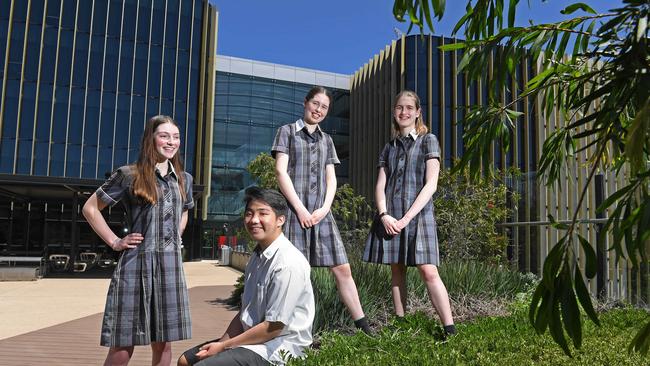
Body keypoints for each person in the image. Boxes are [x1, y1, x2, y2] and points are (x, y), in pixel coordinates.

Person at [82, 115, 194, 366]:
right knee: (122, 345)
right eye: (164, 135)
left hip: (170, 267)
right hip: (136, 265)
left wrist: (176, 232)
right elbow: (90, 208)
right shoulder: (129, 174)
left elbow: (185, 208)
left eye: (176, 137)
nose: (171, 142)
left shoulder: (184, 178)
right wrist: (114, 241)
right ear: (150, 139)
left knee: (164, 344)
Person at [271, 86, 371, 334]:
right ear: (305, 103)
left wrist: (325, 208)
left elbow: (332, 179)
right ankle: (289, 331)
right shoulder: (287, 132)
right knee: (296, 273)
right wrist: (301, 209)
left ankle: (365, 327)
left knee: (342, 268)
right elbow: (280, 172)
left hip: (321, 214)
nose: (319, 110)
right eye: (315, 104)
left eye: (324, 107)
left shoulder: (327, 140)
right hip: (295, 214)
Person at [178, 187, 314, 366]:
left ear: (280, 220)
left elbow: (273, 328)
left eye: (263, 214)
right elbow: (245, 313)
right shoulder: (257, 257)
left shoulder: (288, 263)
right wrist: (220, 345)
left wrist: (225, 346)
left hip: (279, 349)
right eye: (249, 214)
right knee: (185, 361)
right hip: (252, 342)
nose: (254, 220)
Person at [363, 90, 456, 336]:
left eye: (408, 108)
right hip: (390, 217)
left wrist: (406, 218)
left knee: (428, 270)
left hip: (419, 217)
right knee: (397, 270)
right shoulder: (389, 147)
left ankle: (450, 330)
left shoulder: (429, 140)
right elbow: (380, 185)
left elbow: (431, 184)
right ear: (394, 112)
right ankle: (401, 325)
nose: (403, 112)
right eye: (399, 108)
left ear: (417, 112)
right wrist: (384, 215)